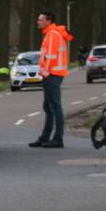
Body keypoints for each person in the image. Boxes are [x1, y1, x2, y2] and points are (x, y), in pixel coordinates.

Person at [29, 11, 73, 148]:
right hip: (53, 74)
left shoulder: (52, 35)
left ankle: (58, 138)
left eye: (41, 20)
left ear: (49, 21)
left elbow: (51, 56)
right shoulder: (52, 33)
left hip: (52, 74)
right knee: (49, 107)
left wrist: (45, 72)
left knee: (54, 106)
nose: (38, 22)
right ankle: (45, 137)